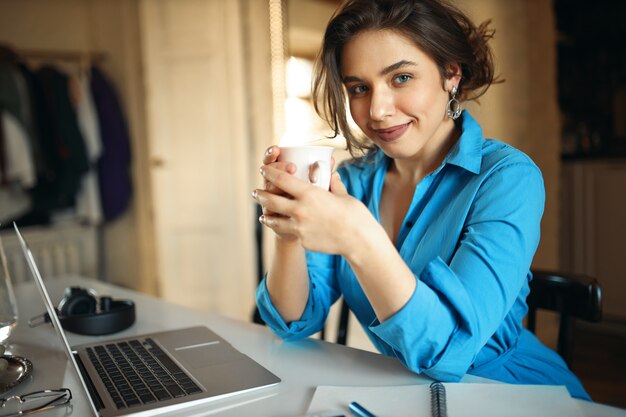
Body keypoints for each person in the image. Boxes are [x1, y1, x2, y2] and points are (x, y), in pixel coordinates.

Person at [251, 0, 590, 400]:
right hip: (406, 395)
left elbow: (445, 354)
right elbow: (292, 322)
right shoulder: (352, 182)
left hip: (509, 394)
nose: (377, 110)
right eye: (359, 88)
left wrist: (359, 238)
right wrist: (287, 228)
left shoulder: (507, 178)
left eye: (401, 78)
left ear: (451, 74)